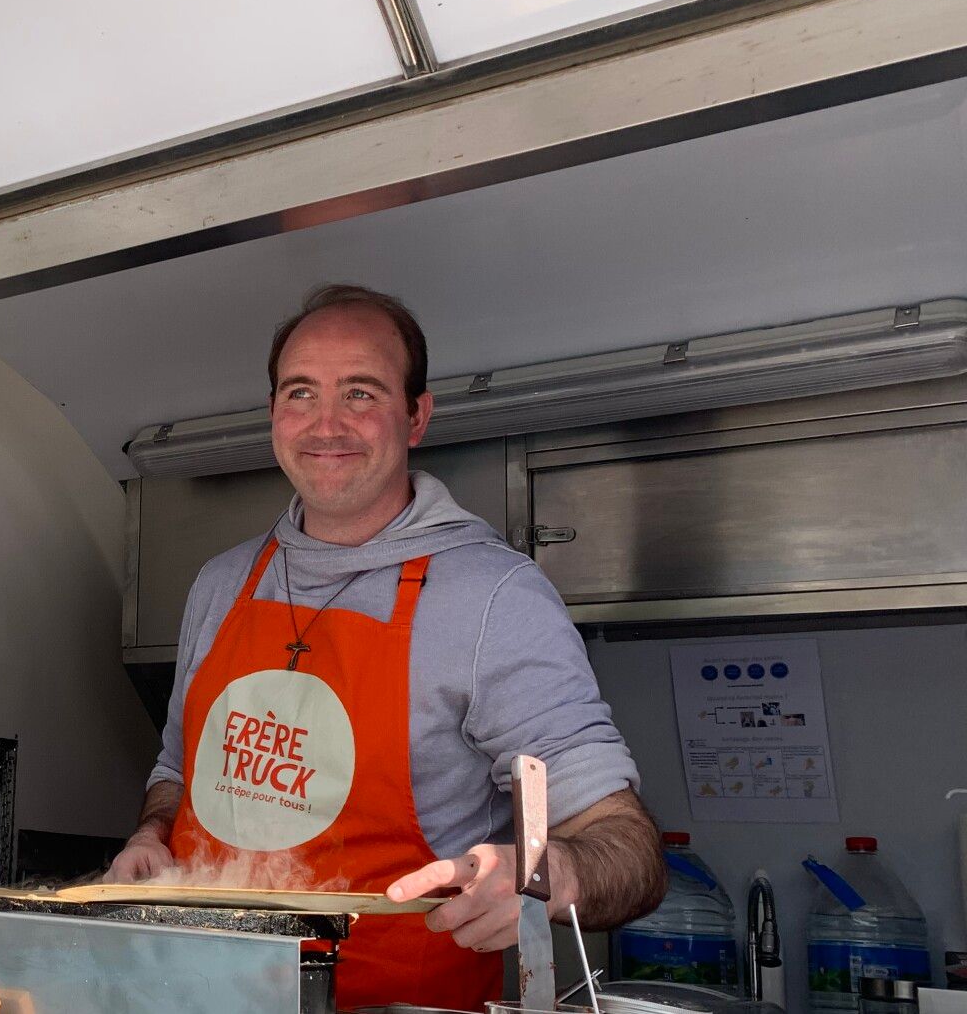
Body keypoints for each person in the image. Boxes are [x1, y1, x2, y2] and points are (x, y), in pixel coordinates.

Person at [107, 284, 665, 1010]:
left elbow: (627, 845)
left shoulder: (491, 597)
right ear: (274, 412)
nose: (326, 422)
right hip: (186, 994)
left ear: (417, 415)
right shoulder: (221, 583)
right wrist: (152, 831)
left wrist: (539, 874)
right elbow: (177, 769)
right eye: (300, 391)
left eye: (361, 392)